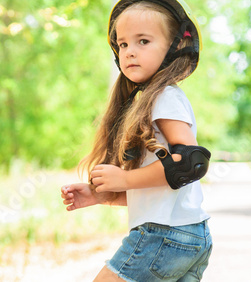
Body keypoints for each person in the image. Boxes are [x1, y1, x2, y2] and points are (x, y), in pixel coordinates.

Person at [60, 0, 213, 281]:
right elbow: (163, 189)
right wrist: (101, 195)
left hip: (164, 235)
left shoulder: (164, 96)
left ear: (175, 47)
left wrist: (125, 179)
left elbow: (191, 163)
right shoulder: (157, 99)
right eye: (123, 44)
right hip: (189, 233)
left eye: (143, 41)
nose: (130, 52)